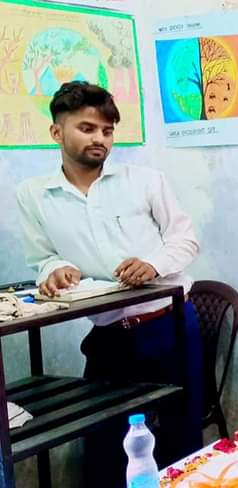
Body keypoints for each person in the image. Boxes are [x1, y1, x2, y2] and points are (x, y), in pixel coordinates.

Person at [15, 81, 202, 483]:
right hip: (109, 335)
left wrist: (152, 264)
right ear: (57, 132)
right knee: (105, 443)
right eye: (87, 128)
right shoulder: (35, 195)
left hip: (166, 326)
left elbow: (185, 240)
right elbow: (42, 257)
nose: (99, 138)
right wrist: (55, 269)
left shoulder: (145, 180)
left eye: (107, 130)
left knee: (179, 436)